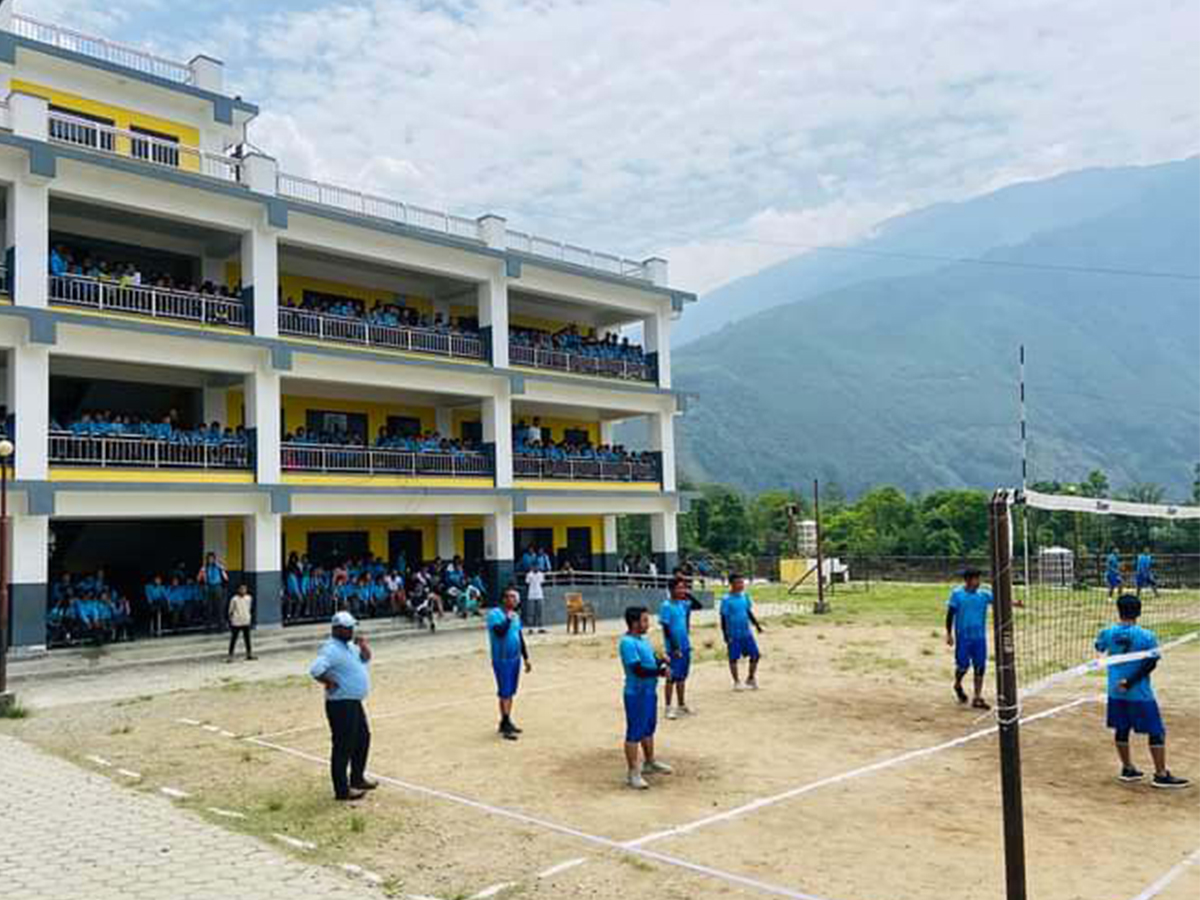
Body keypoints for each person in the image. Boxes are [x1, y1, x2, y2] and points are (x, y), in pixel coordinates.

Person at [1095, 595, 1188, 788]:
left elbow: (1100, 647)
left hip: (1115, 691)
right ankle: (1161, 774)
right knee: (1156, 731)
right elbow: (1150, 663)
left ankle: (1128, 768)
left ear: (1118, 610)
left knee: (1122, 728)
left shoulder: (1107, 632)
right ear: (1139, 611)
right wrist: (1130, 682)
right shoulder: (1147, 635)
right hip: (1139, 692)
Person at [309, 612, 378, 801]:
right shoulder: (330, 649)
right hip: (340, 704)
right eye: (347, 628)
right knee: (343, 745)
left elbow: (365, 658)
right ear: (337, 629)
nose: (351, 630)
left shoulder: (349, 646)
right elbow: (315, 669)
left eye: (352, 627)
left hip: (353, 702)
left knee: (362, 739)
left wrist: (363, 646)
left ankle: (357, 778)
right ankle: (342, 790)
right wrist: (328, 682)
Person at [619, 605, 672, 789]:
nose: (647, 623)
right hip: (636, 694)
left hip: (649, 692)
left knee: (648, 728)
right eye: (644, 620)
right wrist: (660, 671)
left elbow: (650, 661)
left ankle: (649, 761)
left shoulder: (643, 640)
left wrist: (661, 661)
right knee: (634, 732)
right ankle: (633, 772)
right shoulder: (627, 643)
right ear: (634, 623)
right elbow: (638, 669)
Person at [486, 586, 532, 741]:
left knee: (510, 691)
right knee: (504, 692)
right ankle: (505, 723)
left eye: (515, 597)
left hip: (514, 658)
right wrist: (508, 618)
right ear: (504, 599)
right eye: (512, 597)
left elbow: (519, 637)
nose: (515, 599)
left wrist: (526, 658)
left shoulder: (515, 616)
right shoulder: (494, 614)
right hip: (502, 659)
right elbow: (499, 632)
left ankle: (506, 720)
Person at [946, 568, 993, 710]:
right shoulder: (957, 594)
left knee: (980, 666)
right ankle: (957, 683)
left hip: (979, 638)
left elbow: (1000, 601)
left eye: (979, 579)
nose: (978, 582)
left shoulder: (984, 595)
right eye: (975, 579)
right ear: (967, 580)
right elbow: (950, 614)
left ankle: (977, 697)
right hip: (963, 638)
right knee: (963, 666)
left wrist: (1015, 603)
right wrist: (949, 634)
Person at [720, 573, 763, 691]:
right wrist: (725, 634)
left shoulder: (745, 596)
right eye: (738, 583)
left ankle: (750, 678)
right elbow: (723, 618)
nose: (741, 585)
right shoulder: (726, 600)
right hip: (733, 634)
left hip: (746, 633)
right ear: (731, 584)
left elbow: (748, 612)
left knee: (756, 655)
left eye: (742, 582)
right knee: (733, 658)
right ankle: (736, 681)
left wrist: (757, 625)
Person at [659, 578, 695, 719]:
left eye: (684, 588)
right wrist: (674, 647)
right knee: (671, 677)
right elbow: (666, 628)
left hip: (685, 645)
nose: (682, 590)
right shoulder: (666, 606)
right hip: (673, 648)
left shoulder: (683, 604)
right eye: (679, 588)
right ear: (671, 590)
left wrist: (687, 594)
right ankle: (668, 707)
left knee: (682, 677)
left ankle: (681, 704)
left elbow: (698, 605)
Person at [198, 552, 228, 632]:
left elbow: (226, 578)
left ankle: (221, 627)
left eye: (212, 558)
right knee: (208, 608)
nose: (210, 560)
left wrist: (222, 569)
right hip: (208, 587)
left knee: (219, 608)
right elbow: (199, 579)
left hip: (218, 587)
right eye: (209, 558)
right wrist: (202, 574)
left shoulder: (219, 567)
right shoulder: (204, 568)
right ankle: (208, 627)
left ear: (214, 559)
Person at [226, 584, 256, 662]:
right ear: (238, 590)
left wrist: (249, 617)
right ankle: (230, 655)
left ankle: (249, 654)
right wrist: (231, 620)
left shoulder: (249, 598)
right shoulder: (234, 599)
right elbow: (230, 610)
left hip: (246, 620)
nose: (243, 591)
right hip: (236, 621)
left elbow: (250, 608)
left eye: (244, 589)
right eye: (241, 589)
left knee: (247, 639)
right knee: (234, 639)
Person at [524, 566, 547, 634]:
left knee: (540, 612)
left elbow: (542, 582)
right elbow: (527, 582)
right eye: (534, 567)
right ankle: (530, 628)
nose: (536, 568)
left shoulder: (541, 574)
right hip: (531, 595)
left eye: (537, 567)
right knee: (531, 612)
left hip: (539, 595)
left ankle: (541, 627)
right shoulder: (529, 574)